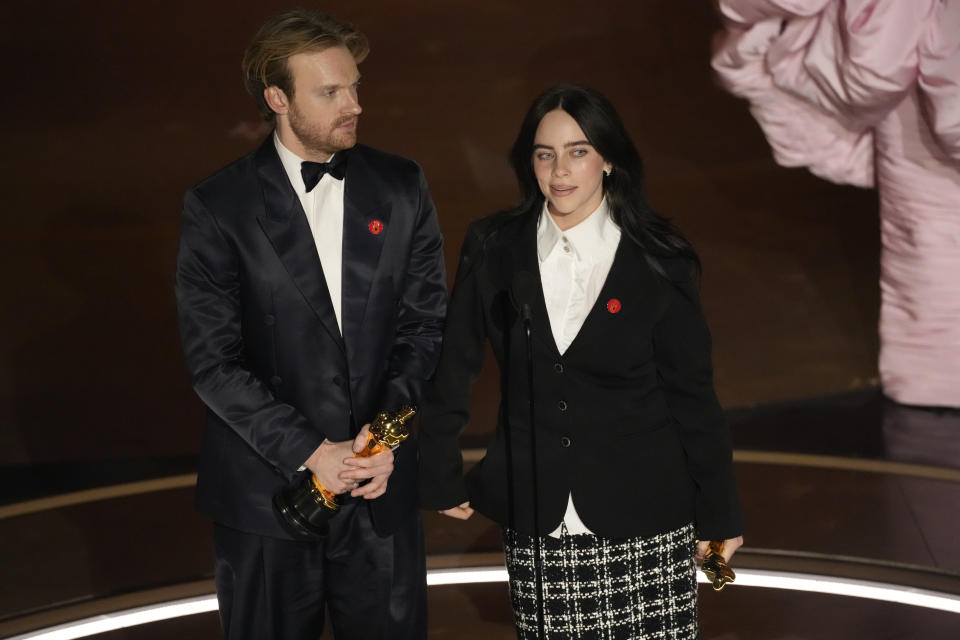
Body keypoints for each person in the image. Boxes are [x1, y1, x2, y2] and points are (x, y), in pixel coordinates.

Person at [418, 84, 743, 639]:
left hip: (647, 513)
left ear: (609, 159)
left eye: (579, 151)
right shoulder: (495, 245)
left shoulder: (657, 259)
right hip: (539, 511)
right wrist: (437, 467)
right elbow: (456, 362)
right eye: (545, 153)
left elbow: (693, 396)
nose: (560, 170)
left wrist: (720, 513)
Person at [175, 10, 445, 639]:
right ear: (278, 99)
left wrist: (382, 444)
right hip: (266, 499)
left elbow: (425, 324)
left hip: (380, 493)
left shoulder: (402, 185)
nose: (353, 104)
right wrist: (311, 452)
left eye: (354, 86)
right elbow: (213, 361)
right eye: (330, 93)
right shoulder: (219, 207)